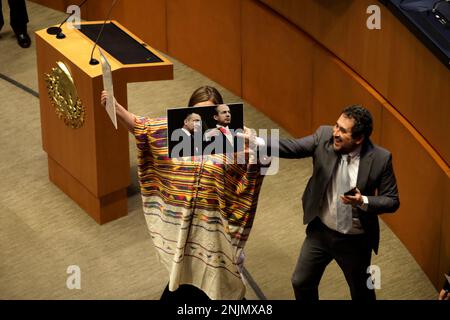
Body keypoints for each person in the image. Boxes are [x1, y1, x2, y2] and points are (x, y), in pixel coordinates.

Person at [100, 85, 265, 300]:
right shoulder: (177, 136)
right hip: (184, 228)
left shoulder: (235, 138)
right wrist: (115, 107)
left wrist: (255, 148)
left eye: (210, 114)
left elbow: (259, 160)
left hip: (215, 228)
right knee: (183, 282)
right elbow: (146, 129)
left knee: (222, 290)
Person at [270, 104, 400, 301]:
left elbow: (392, 200)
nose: (335, 133)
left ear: (359, 138)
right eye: (336, 126)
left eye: (343, 131)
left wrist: (362, 200)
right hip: (320, 232)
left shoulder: (381, 158)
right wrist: (256, 141)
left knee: (362, 293)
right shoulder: (324, 136)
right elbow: (293, 147)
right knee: (301, 282)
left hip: (355, 241)